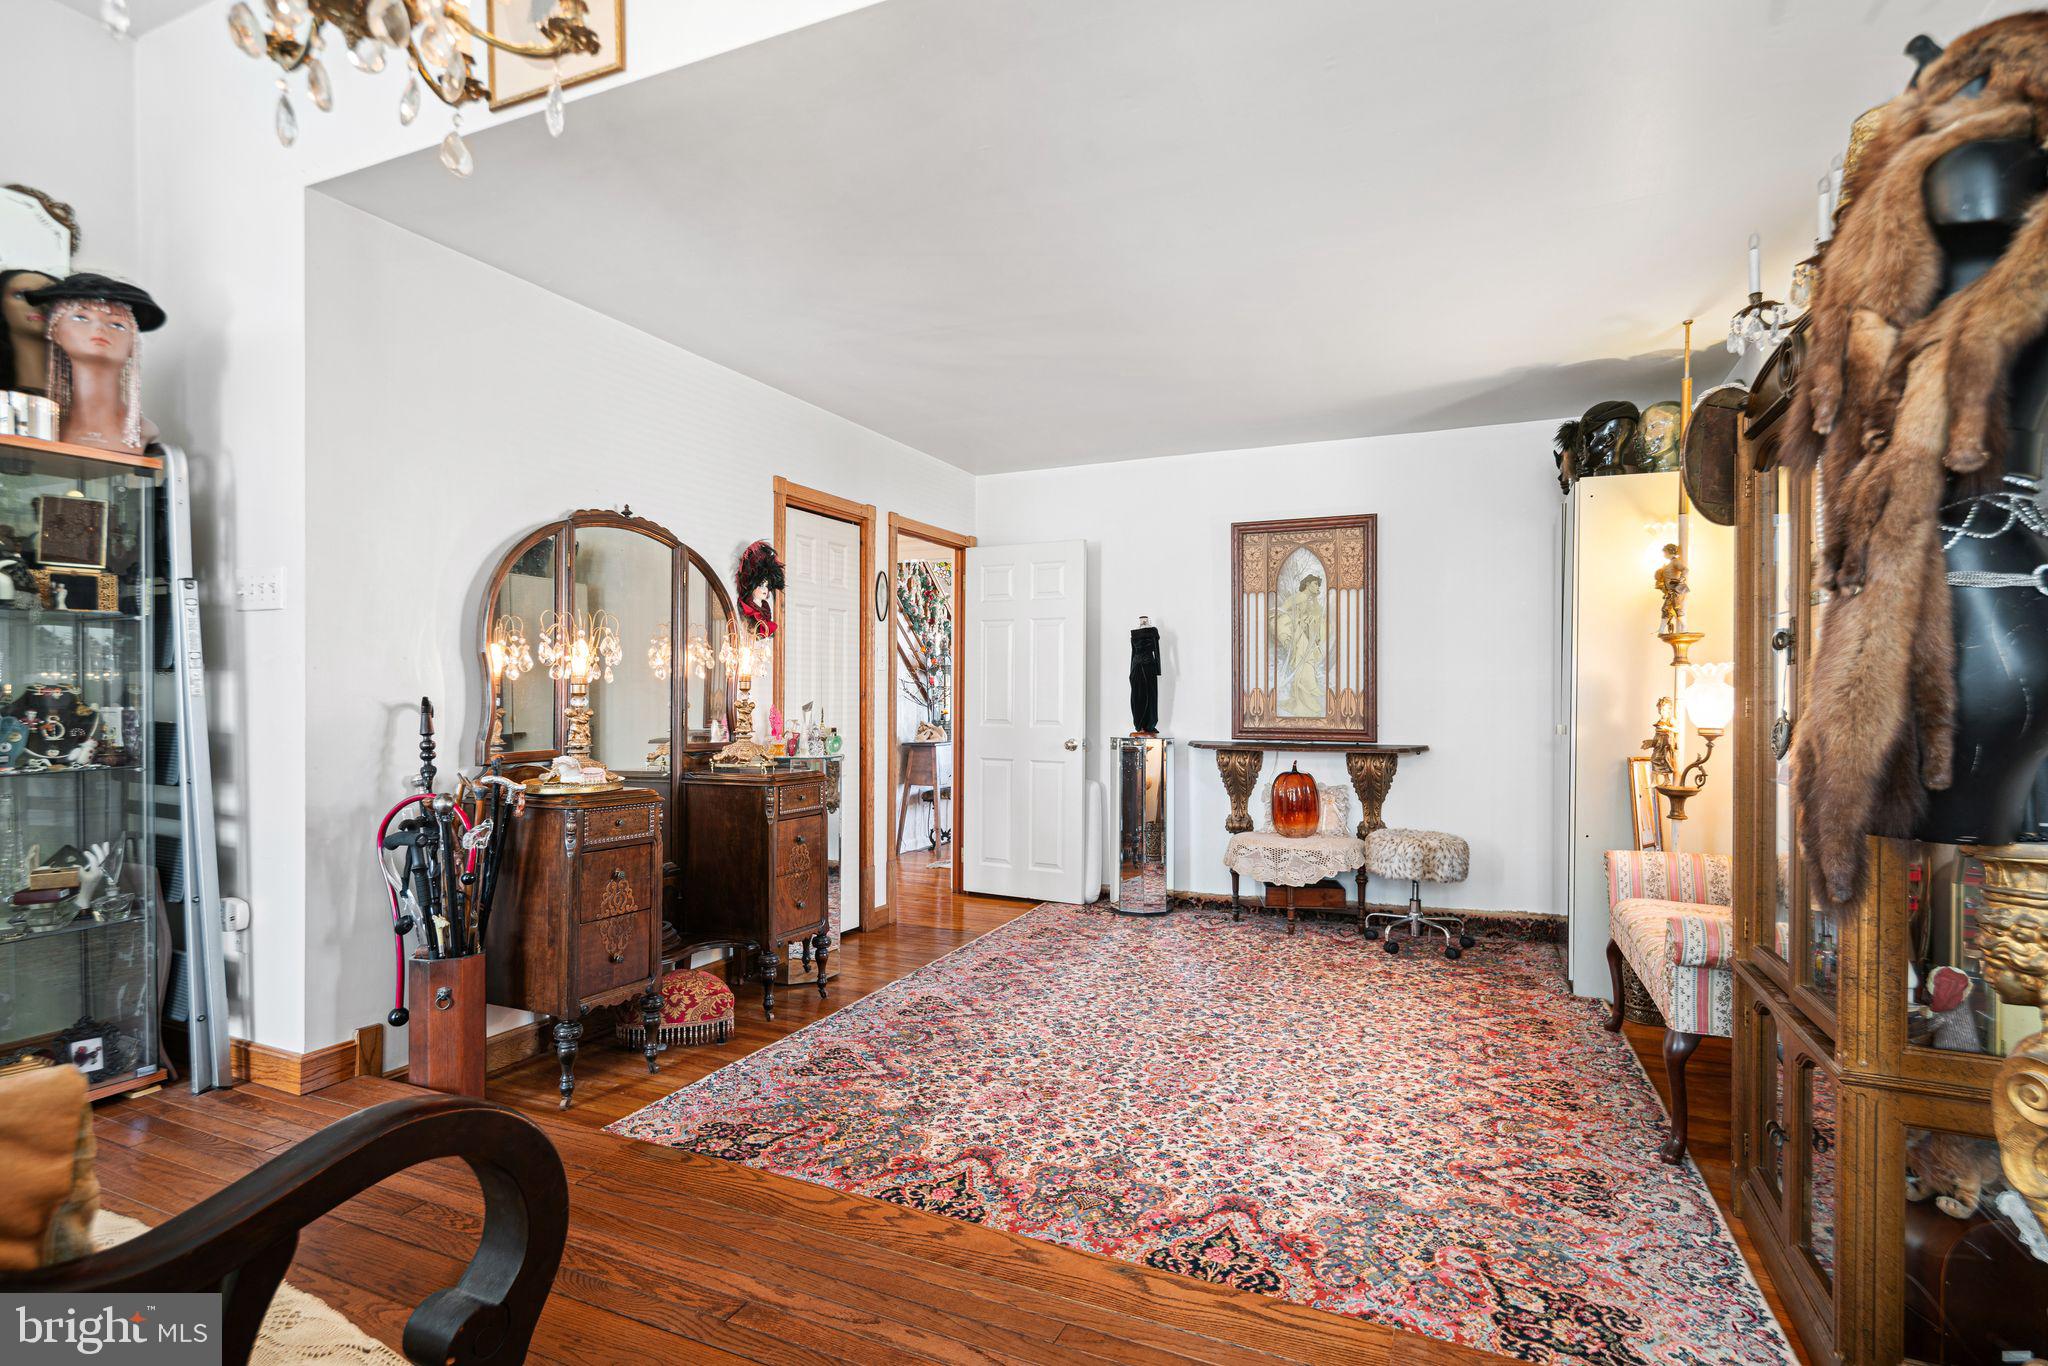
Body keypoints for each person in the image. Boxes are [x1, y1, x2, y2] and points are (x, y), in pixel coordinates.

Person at [1273, 572, 1326, 718]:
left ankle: (1304, 698)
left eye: (1318, 585)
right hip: (1297, 636)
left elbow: (1316, 615)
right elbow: (1279, 612)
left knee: (1306, 662)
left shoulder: (1308, 600)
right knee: (1303, 663)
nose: (1317, 587)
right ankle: (1302, 701)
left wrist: (1308, 619)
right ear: (1308, 584)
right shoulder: (1298, 597)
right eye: (1315, 584)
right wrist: (1293, 624)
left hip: (1304, 635)